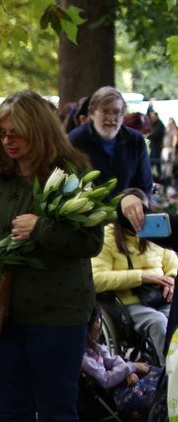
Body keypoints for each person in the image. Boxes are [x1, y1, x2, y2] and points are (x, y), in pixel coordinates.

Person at [0, 90, 102, 422]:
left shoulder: (71, 174)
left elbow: (91, 239)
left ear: (41, 132)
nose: (9, 142)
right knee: (11, 412)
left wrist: (41, 229)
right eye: (3, 133)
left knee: (57, 413)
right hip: (2, 315)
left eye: (19, 135)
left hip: (58, 315)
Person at [81, 309, 166, 422]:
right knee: (151, 398)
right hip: (113, 394)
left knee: (160, 376)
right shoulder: (84, 359)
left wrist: (127, 369)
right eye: (96, 327)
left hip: (121, 383)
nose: (99, 329)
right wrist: (131, 367)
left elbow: (114, 360)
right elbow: (105, 379)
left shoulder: (96, 347)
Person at [91, 220, 177, 364]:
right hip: (127, 303)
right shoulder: (108, 236)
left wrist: (172, 279)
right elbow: (96, 279)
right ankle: (170, 371)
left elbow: (173, 263)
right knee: (158, 322)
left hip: (160, 296)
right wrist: (141, 277)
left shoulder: (155, 230)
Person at [69, 87, 152, 235]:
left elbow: (145, 185)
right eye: (105, 111)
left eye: (117, 112)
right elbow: (70, 186)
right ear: (92, 113)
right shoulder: (75, 140)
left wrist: (137, 198)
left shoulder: (135, 141)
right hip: (89, 225)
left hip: (129, 223)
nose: (112, 118)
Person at [148, 109, 166, 180]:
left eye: (153, 117)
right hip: (153, 146)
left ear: (156, 116)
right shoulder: (154, 124)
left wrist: (149, 135)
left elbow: (155, 134)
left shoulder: (160, 125)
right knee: (152, 162)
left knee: (157, 162)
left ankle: (160, 177)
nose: (152, 118)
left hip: (157, 146)